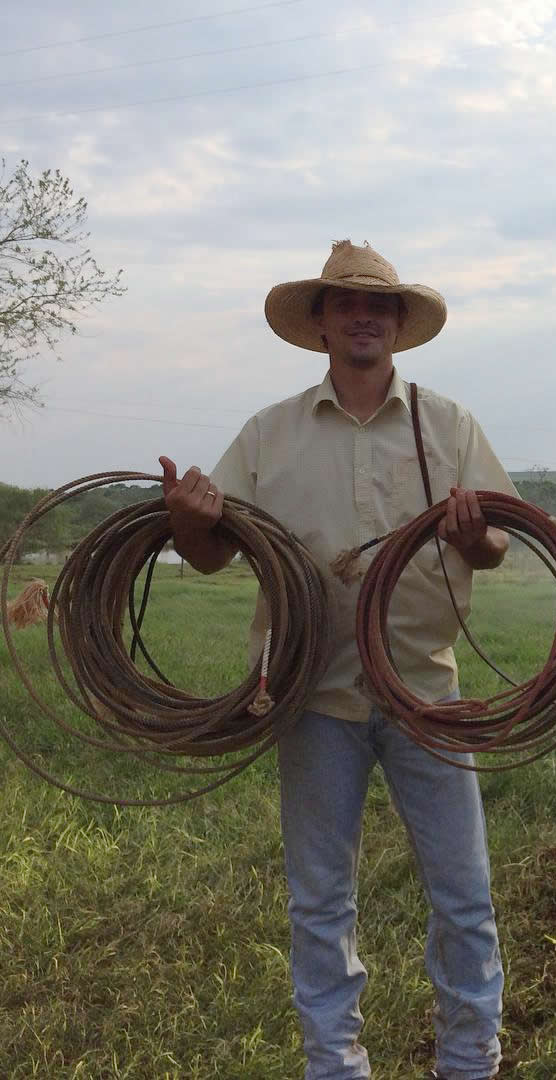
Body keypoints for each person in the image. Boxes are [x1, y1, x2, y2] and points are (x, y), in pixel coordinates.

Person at [160, 240, 515, 1080]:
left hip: (427, 691)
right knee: (321, 901)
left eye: (379, 306)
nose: (364, 316)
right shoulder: (268, 434)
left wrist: (477, 535)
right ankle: (334, 1065)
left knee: (463, 897)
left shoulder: (449, 424)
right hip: (314, 697)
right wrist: (189, 516)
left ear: (398, 325)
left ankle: (469, 1061)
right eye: (346, 303)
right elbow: (211, 554)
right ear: (320, 323)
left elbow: (499, 539)